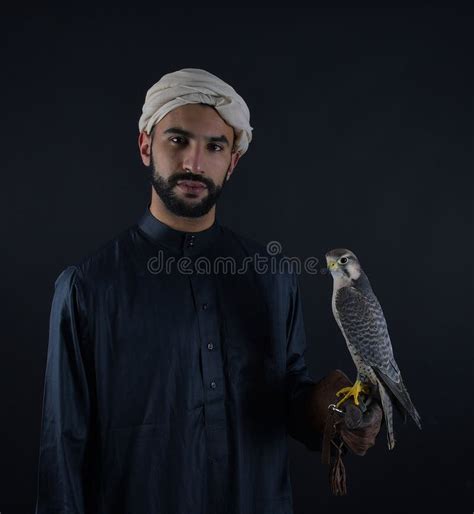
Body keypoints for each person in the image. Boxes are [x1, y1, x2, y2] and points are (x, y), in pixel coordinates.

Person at [34, 68, 382, 514]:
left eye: (215, 146)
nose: (194, 163)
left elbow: (288, 398)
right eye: (177, 140)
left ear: (232, 161)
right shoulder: (87, 288)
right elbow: (61, 449)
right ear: (146, 146)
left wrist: (332, 411)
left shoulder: (272, 275)